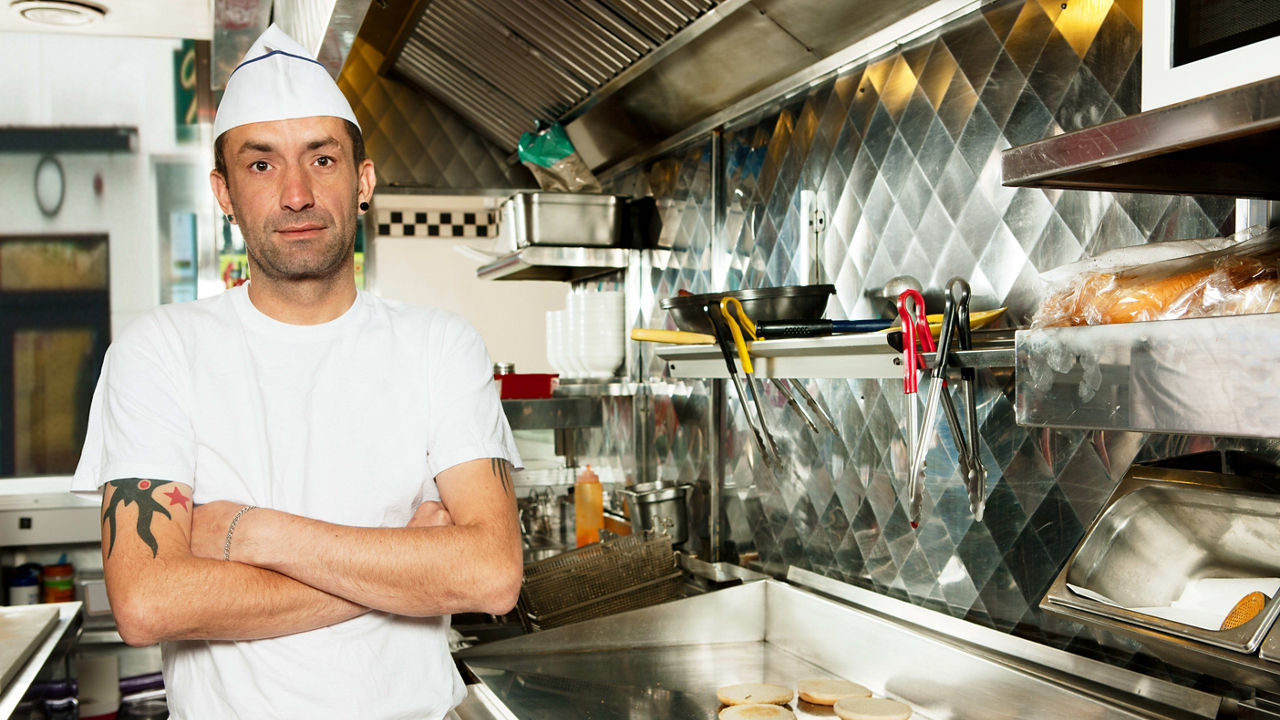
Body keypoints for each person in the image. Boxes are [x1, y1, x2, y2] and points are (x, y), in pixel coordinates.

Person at [71, 24, 523, 719]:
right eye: (261, 166)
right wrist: (411, 565)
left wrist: (252, 534)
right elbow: (148, 603)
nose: (295, 194)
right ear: (223, 193)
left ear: (363, 179)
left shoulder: (440, 344)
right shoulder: (156, 352)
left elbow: (491, 577)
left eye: (321, 160)